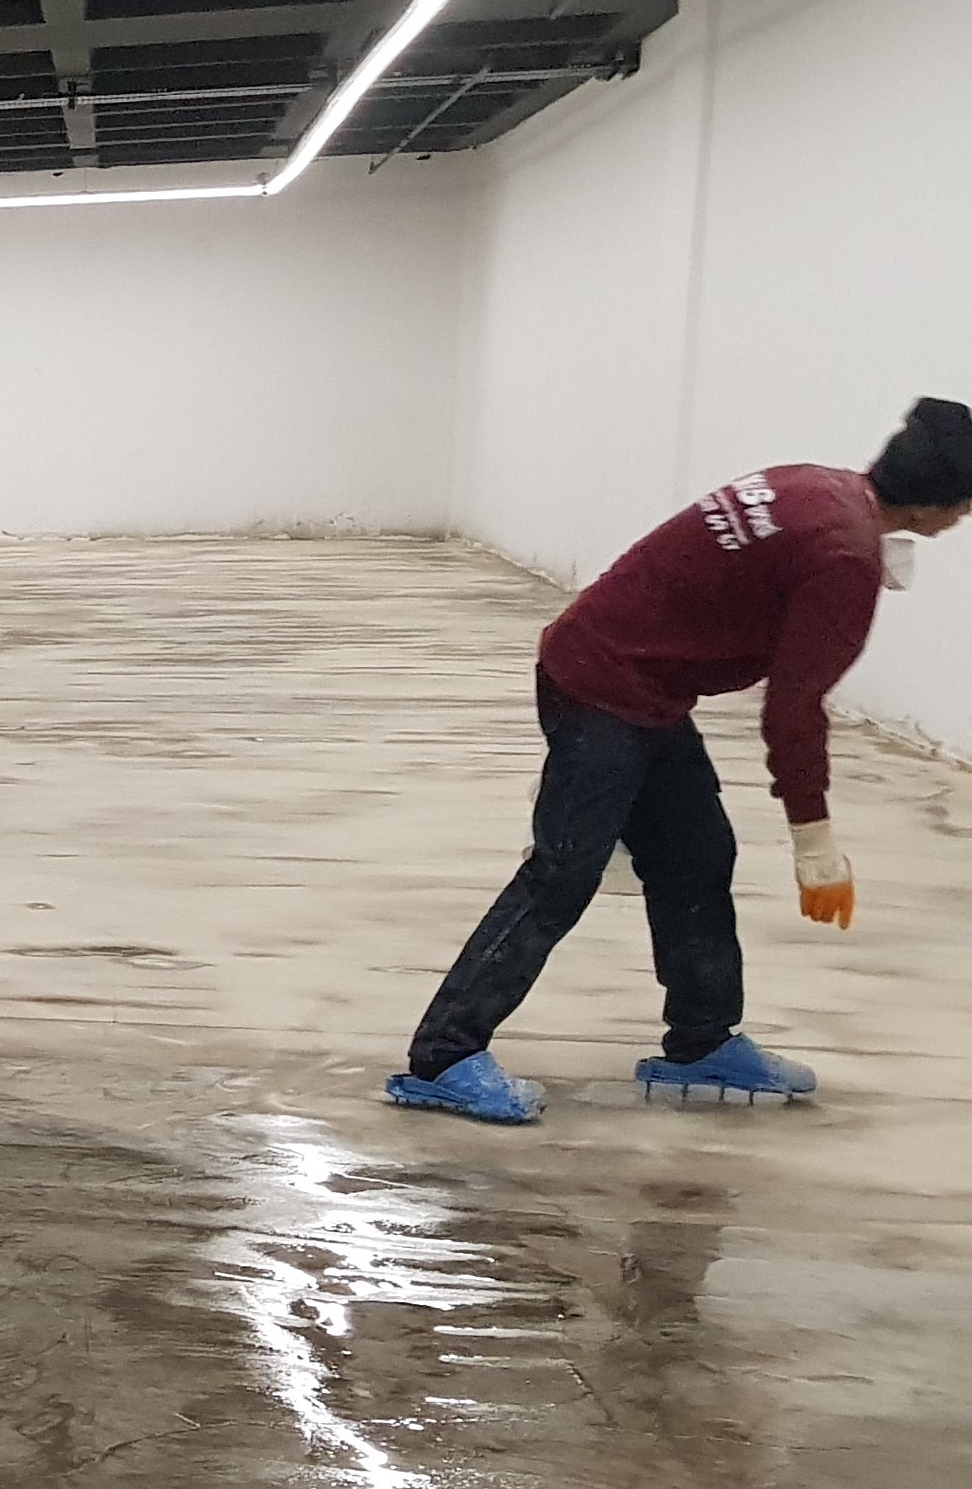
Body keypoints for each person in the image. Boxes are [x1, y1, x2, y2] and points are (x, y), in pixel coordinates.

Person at [389, 398, 972, 1124]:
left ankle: (701, 1044)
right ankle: (443, 1057)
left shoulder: (809, 485)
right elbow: (794, 709)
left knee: (697, 854)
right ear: (937, 507)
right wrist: (814, 839)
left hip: (637, 681)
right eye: (964, 506)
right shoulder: (845, 555)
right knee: (562, 874)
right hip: (602, 684)